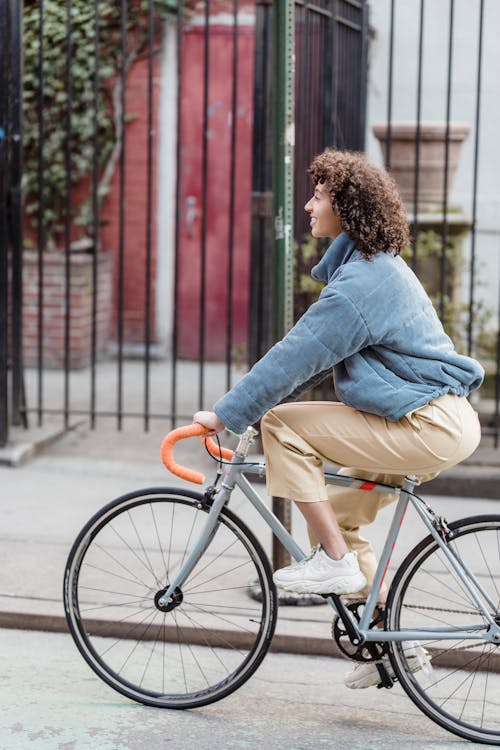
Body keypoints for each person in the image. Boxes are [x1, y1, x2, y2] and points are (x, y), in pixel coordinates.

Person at [194, 148, 484, 688]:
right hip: (434, 418)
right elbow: (308, 358)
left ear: (346, 209)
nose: (308, 205)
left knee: (281, 424)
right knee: (341, 521)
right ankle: (391, 649)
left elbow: (295, 356)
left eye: (319, 197)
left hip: (426, 423)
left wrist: (227, 415)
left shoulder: (359, 286)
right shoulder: (369, 270)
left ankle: (334, 564)